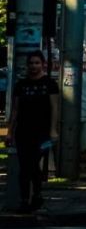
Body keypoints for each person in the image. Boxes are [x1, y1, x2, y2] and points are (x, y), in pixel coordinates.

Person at [6, 51, 60, 212]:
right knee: (25, 167)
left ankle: (36, 195)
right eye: (31, 63)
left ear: (43, 64)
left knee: (33, 163)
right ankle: (26, 199)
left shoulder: (49, 84)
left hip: (43, 133)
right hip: (23, 132)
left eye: (37, 63)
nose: (34, 66)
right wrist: (9, 132)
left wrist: (53, 130)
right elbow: (15, 110)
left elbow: (54, 108)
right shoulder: (21, 85)